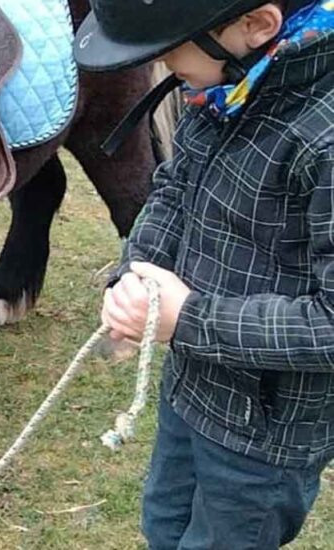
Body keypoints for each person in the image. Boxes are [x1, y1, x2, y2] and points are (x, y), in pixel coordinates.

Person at [73, 1, 334, 548]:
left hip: (263, 438)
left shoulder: (323, 140)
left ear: (257, 25)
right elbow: (173, 187)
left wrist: (189, 318)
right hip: (191, 391)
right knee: (164, 526)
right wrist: (135, 271)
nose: (163, 63)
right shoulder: (227, 88)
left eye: (172, 46)